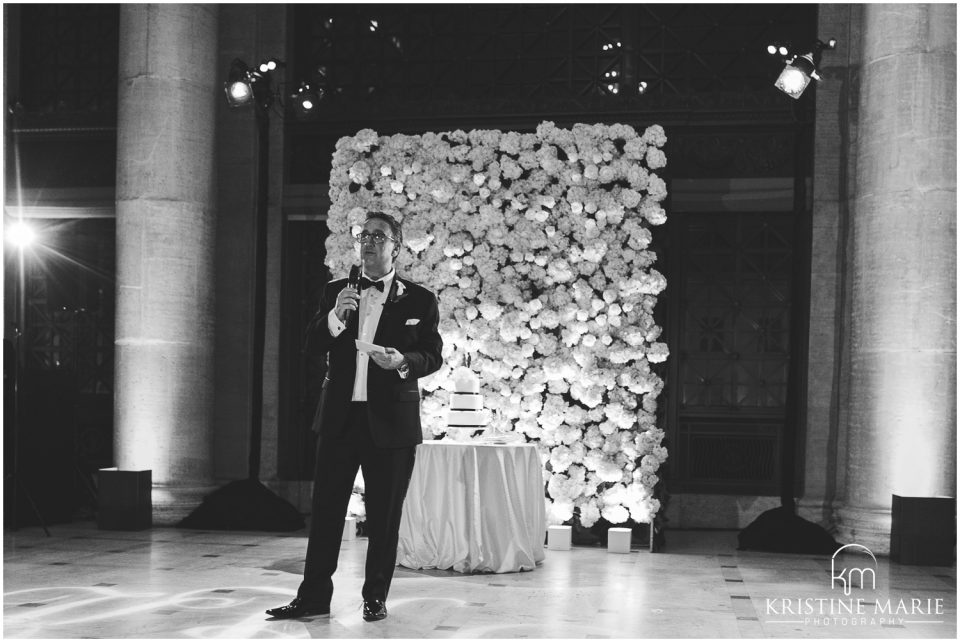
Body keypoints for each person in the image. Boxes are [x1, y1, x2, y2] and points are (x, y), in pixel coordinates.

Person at [266, 211, 443, 621]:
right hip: (339, 420)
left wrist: (402, 361)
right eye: (363, 235)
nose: (368, 242)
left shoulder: (420, 299)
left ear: (395, 246)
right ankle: (312, 598)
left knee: (384, 518)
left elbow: (432, 354)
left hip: (392, 425)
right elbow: (310, 344)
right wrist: (335, 317)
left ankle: (375, 597)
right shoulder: (335, 292)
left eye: (378, 236)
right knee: (326, 512)